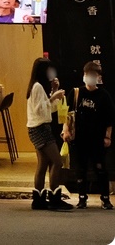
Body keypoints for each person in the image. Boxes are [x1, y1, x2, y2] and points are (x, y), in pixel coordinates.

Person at [63, 61, 115, 209]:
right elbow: (67, 114)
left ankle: (105, 199)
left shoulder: (104, 95)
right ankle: (82, 198)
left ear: (98, 77)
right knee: (80, 169)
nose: (89, 77)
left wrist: (108, 136)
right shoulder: (76, 93)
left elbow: (110, 118)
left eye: (93, 75)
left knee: (100, 168)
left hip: (97, 138)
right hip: (79, 138)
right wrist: (66, 130)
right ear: (83, 75)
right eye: (87, 74)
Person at [27, 57, 74, 210]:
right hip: (40, 129)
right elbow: (40, 109)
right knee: (57, 162)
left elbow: (49, 109)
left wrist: (53, 92)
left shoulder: (37, 86)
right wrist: (53, 96)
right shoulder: (37, 87)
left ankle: (39, 200)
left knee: (43, 165)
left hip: (37, 128)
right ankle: (54, 198)